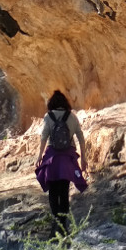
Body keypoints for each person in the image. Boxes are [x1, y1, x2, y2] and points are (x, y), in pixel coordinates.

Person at [34, 90, 88, 237]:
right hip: (67, 158)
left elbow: (44, 137)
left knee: (53, 193)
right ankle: (63, 227)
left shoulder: (48, 117)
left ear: (52, 103)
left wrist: (39, 156)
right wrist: (83, 158)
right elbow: (80, 138)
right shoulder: (72, 116)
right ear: (65, 103)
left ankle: (55, 224)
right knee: (64, 192)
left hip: (52, 159)